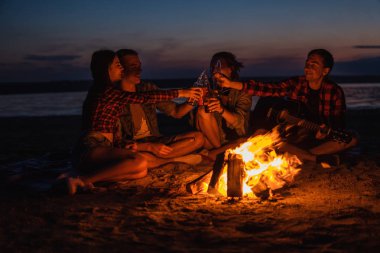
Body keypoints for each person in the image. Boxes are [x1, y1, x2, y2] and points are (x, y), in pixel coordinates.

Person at [66, 50, 202, 195]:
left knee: (140, 172)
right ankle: (81, 180)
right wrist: (182, 92)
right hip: (91, 146)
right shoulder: (106, 92)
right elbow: (144, 98)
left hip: (106, 146)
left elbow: (173, 110)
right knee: (139, 162)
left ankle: (92, 180)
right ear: (107, 68)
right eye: (118, 65)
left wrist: (195, 99)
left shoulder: (113, 92)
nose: (122, 69)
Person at [214, 49, 358, 166]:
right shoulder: (297, 83)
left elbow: (338, 122)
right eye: (307, 64)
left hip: (315, 139)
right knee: (273, 141)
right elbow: (268, 89)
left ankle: (300, 157)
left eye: (314, 64)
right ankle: (309, 158)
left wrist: (326, 130)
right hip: (295, 138)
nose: (308, 67)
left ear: (325, 71)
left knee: (351, 139)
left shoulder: (334, 91)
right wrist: (231, 84)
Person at [116, 49, 205, 168]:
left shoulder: (147, 88)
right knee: (135, 156)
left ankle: (159, 161)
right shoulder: (113, 96)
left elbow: (176, 112)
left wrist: (194, 98)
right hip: (136, 147)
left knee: (197, 138)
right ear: (120, 69)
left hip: (155, 141)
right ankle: (174, 160)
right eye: (133, 66)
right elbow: (117, 143)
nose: (139, 70)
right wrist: (147, 147)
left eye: (139, 66)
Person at [194, 52, 252, 153]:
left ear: (231, 69)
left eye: (219, 67)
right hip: (216, 140)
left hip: (235, 137)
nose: (215, 72)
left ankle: (217, 153)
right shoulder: (211, 91)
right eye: (213, 68)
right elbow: (197, 123)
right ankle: (219, 152)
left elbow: (240, 123)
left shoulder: (242, 91)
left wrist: (221, 109)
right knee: (202, 111)